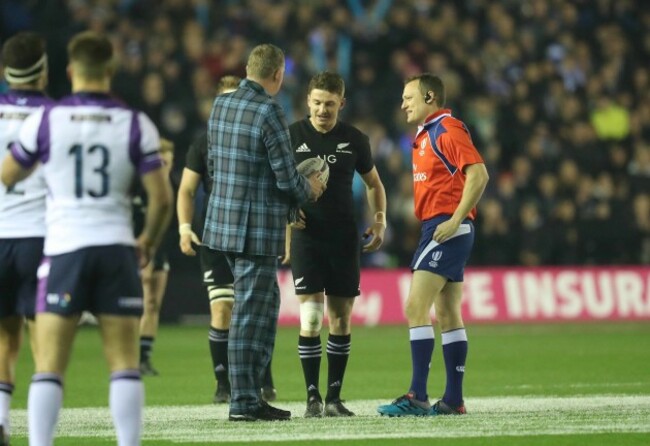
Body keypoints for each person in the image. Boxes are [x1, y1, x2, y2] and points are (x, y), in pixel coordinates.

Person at [1, 30, 173, 445]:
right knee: (124, 362)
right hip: (116, 248)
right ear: (110, 71)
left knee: (49, 366)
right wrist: (147, 240)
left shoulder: (48, 120)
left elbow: (7, 175)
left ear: (70, 71)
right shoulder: (137, 123)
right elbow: (161, 199)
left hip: (62, 250)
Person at [203, 43, 325, 422]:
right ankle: (243, 402)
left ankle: (250, 393)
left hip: (222, 224)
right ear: (278, 75)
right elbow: (287, 176)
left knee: (262, 304)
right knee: (250, 313)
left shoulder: (221, 104)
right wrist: (311, 191)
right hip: (254, 229)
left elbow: (213, 163)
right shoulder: (268, 109)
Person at [377, 73, 489, 417]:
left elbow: (479, 173)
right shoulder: (425, 134)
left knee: (414, 307)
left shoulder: (446, 129)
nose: (403, 104)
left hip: (446, 227)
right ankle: (453, 400)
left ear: (429, 97)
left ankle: (418, 396)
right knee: (446, 312)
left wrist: (455, 219)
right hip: (439, 226)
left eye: (409, 97)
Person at [283, 71, 387, 418]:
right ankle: (311, 398)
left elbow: (374, 183)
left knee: (340, 320)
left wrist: (380, 220)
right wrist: (286, 213)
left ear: (341, 104)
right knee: (311, 319)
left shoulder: (355, 139)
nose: (322, 110)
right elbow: (272, 184)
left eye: (329, 104)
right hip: (307, 238)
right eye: (316, 103)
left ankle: (334, 399)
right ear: (307, 101)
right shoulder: (290, 136)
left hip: (343, 238)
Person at [177, 75, 277, 404]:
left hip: (253, 233)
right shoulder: (204, 143)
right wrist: (184, 225)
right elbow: (187, 189)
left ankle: (262, 378)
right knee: (222, 312)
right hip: (217, 237)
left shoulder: (261, 135)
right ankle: (223, 383)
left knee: (255, 310)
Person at [0, 31, 53, 446]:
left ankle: (1, 420)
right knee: (42, 341)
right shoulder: (55, 116)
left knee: (4, 337)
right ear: (44, 69)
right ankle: (39, 436)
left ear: (6, 72)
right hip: (39, 235)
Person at [135, 138, 174, 376]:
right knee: (142, 300)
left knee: (153, 303)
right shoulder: (143, 187)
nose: (165, 166)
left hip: (162, 249)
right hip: (140, 248)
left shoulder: (174, 185)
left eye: (169, 161)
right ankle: (133, 356)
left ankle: (145, 357)